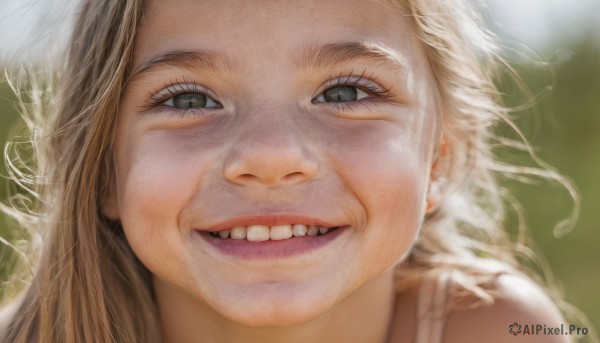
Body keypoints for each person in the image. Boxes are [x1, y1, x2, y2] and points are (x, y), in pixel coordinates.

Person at [0, 0, 592, 342]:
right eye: (188, 100)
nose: (270, 156)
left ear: (439, 158)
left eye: (346, 90)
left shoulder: (503, 330)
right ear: (104, 169)